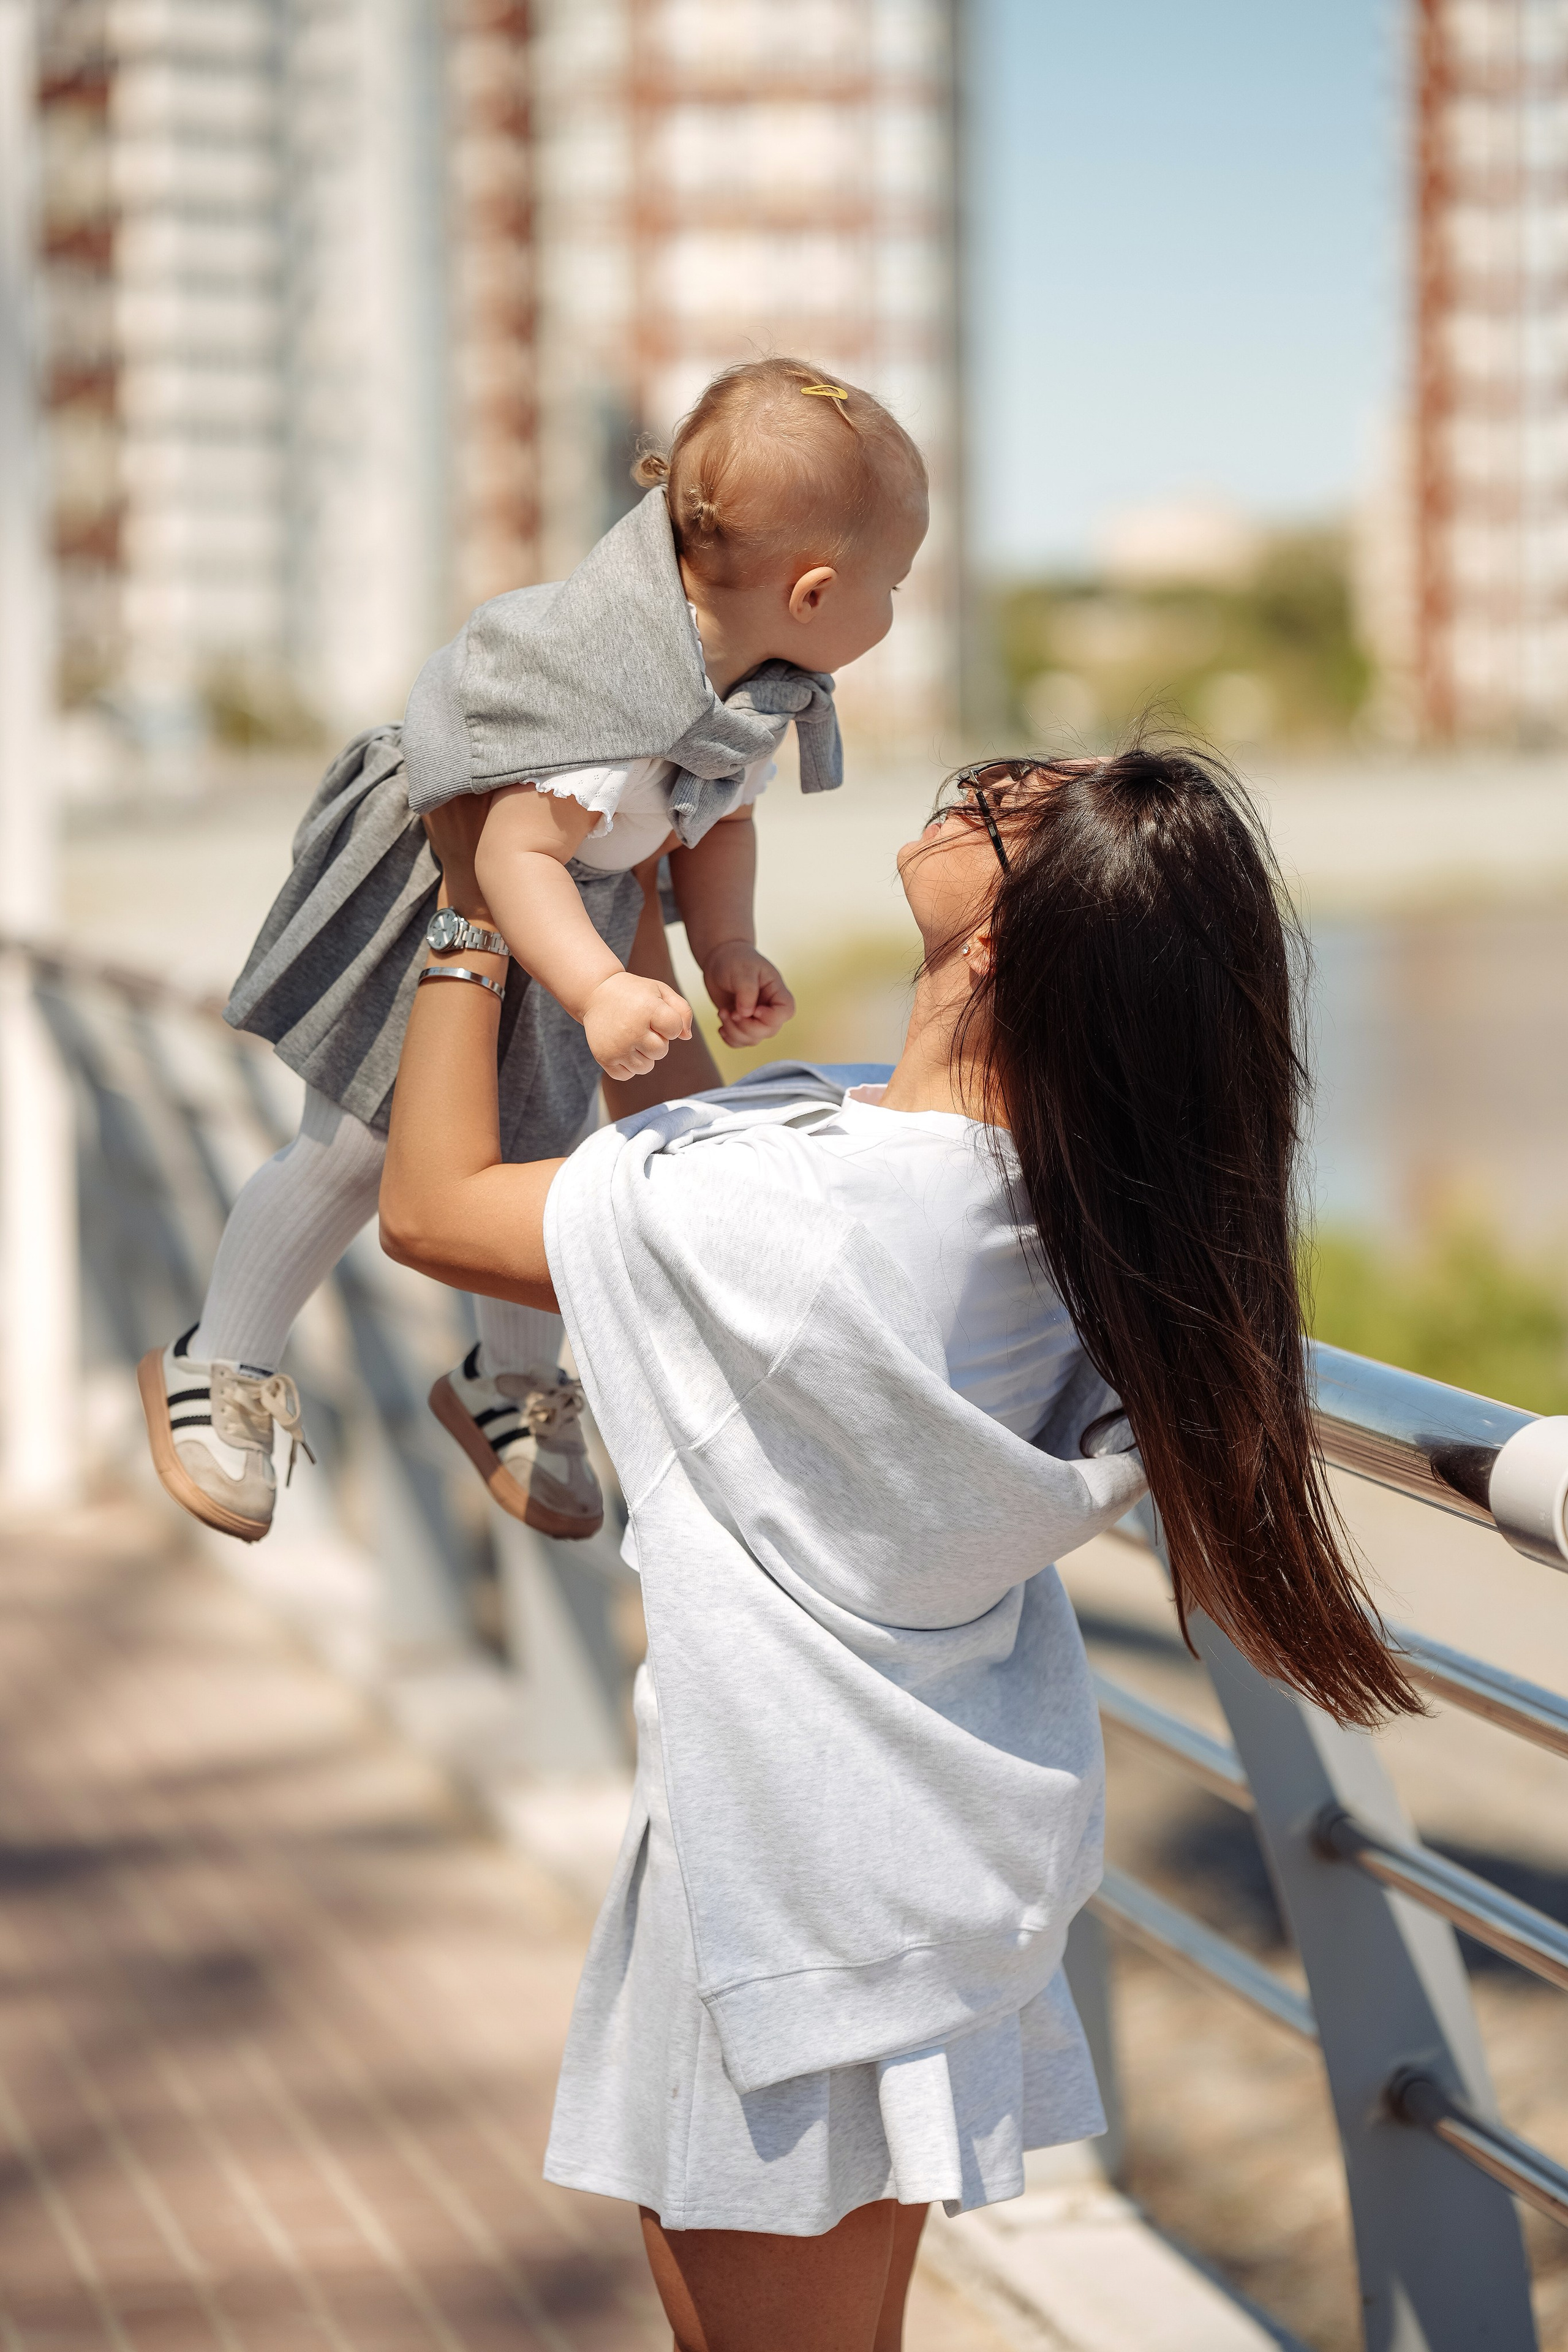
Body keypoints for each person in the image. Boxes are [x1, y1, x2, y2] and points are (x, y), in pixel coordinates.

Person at [379, 744, 1419, 2352]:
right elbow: (706, 1207)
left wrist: (467, 903)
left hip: (787, 1888)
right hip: (897, 1871)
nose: (970, 784)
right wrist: (635, 928)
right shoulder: (1039, 1208)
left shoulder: (826, 1217)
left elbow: (435, 1210)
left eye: (1008, 806)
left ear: (1012, 939)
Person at [137, 358, 929, 1550]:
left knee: (545, 1149)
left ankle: (507, 1384)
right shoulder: (603, 692)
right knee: (356, 1146)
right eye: (897, 583)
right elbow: (508, 854)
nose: (897, 605)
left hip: (580, 912)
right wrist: (604, 987)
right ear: (813, 591)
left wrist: (724, 946)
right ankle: (220, 1362)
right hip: (443, 895)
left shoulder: (749, 687)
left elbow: (719, 816)